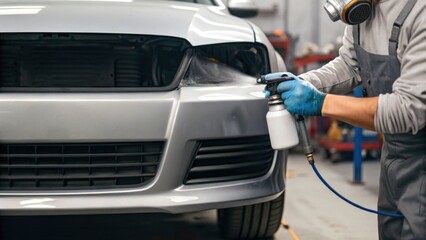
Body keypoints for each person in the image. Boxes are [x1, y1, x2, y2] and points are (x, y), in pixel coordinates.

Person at [264, 0, 426, 239]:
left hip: (421, 157)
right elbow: (350, 65)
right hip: (393, 153)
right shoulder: (362, 9)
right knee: (391, 231)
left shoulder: (420, 13)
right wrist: (304, 82)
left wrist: (321, 103)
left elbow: (409, 109)